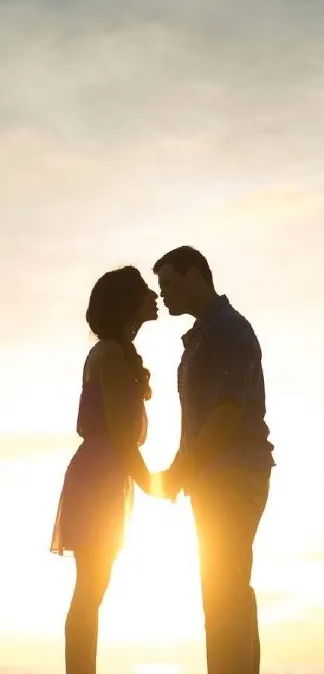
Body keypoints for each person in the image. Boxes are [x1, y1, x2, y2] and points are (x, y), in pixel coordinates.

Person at [153, 246, 275, 674]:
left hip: (234, 475)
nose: (163, 294)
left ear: (194, 276)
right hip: (212, 477)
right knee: (225, 586)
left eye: (168, 284)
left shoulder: (226, 330)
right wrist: (178, 468)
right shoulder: (204, 333)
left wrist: (181, 470)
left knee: (225, 587)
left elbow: (225, 414)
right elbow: (199, 420)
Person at [50, 265, 162, 674]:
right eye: (146, 291)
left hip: (107, 474)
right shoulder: (111, 355)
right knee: (91, 588)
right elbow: (119, 432)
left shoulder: (116, 353)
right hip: (100, 475)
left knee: (94, 587)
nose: (155, 296)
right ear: (128, 303)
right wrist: (155, 484)